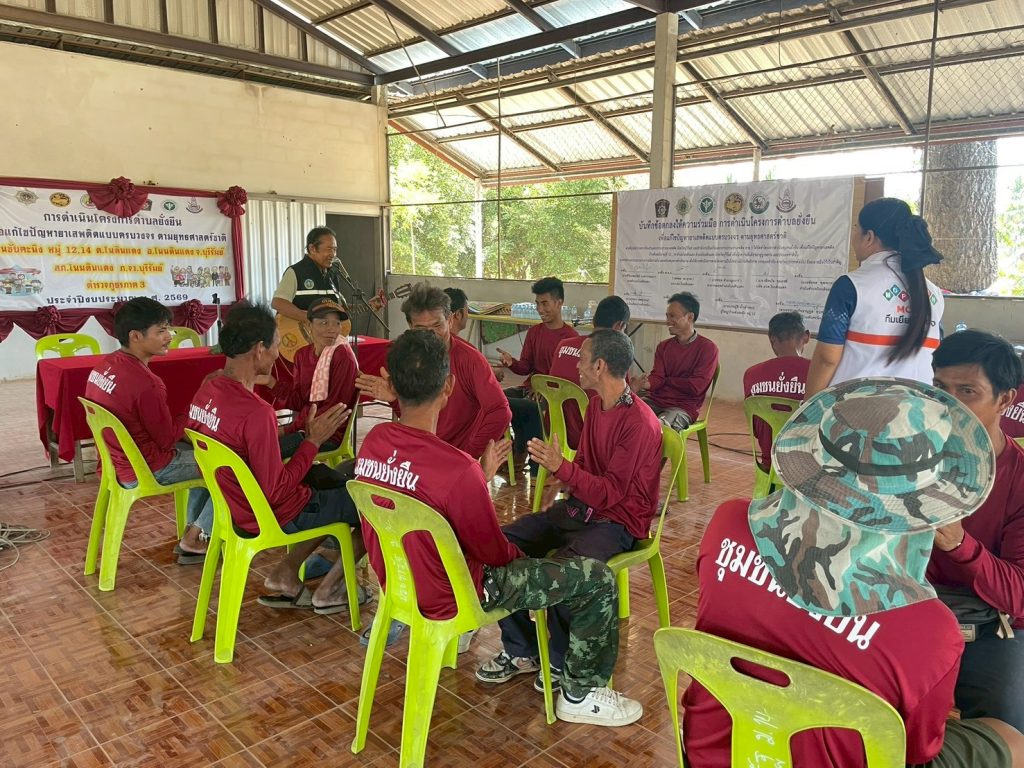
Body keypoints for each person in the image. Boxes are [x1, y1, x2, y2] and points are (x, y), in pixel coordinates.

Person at [683, 377, 1024, 768]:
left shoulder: (727, 525)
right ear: (926, 505)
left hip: (716, 750)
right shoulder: (930, 631)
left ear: (810, 461)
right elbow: (913, 751)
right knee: (1013, 741)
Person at [355, 328, 643, 726]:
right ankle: (579, 693)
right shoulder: (457, 469)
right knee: (595, 579)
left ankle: (527, 653)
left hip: (403, 583)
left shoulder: (373, 443)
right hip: (461, 590)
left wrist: (484, 477)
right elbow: (495, 554)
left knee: (531, 544)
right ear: (449, 386)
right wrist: (521, 550)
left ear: (390, 382)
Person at [477, 329, 662, 692]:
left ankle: (561, 660)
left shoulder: (639, 423)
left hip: (617, 521)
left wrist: (562, 467)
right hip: (580, 510)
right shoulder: (595, 405)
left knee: (565, 570)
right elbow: (587, 467)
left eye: (582, 359)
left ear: (599, 366)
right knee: (501, 545)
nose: (576, 365)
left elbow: (610, 494)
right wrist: (560, 480)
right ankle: (523, 650)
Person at [187, 301, 366, 613]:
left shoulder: (208, 389)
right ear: (259, 349)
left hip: (233, 506)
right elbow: (278, 491)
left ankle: (286, 573)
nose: (276, 353)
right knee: (369, 504)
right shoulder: (256, 412)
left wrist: (296, 437)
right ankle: (331, 590)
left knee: (325, 479)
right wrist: (312, 442)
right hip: (268, 513)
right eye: (275, 345)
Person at [929, 330, 1024, 732]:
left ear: (1005, 399)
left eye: (967, 391)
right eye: (940, 388)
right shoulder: (903, 457)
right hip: (909, 606)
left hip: (991, 623)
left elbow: (1019, 595)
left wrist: (959, 545)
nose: (948, 405)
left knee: (1007, 724)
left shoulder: (1019, 478)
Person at [84, 297, 212, 565]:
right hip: (148, 467)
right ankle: (195, 536)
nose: (169, 336)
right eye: (161, 330)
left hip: (117, 463)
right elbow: (167, 439)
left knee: (202, 452)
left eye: (169, 329)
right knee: (233, 466)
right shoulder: (146, 383)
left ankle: (195, 534)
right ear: (135, 336)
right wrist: (196, 405)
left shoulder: (104, 366)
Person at [356, 283, 510, 461]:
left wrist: (468, 455)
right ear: (410, 326)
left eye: (437, 325)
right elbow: (414, 415)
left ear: (450, 320)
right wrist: (395, 399)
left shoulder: (470, 360)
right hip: (419, 453)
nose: (431, 334)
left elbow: (500, 411)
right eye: (421, 329)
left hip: (453, 458)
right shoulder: (409, 357)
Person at [806, 197, 945, 396]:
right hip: (916, 408)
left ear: (869, 237)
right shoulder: (934, 293)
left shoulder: (851, 286)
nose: (853, 236)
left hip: (856, 408)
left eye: (856, 229)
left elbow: (827, 358)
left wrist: (809, 406)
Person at [497, 277, 579, 469]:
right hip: (531, 388)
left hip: (552, 395)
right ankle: (511, 451)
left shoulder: (571, 338)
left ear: (559, 303)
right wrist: (512, 362)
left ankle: (532, 461)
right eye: (537, 304)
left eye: (545, 303)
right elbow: (525, 367)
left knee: (529, 408)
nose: (540, 309)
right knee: (496, 400)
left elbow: (567, 379)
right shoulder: (534, 332)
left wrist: (543, 388)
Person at [263, 298, 358, 459]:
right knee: (255, 444)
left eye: (337, 323)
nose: (332, 329)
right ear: (308, 326)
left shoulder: (343, 356)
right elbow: (299, 402)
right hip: (304, 427)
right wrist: (270, 382)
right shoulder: (302, 355)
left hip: (328, 433)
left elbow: (334, 409)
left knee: (264, 453)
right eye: (324, 323)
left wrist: (286, 430)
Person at [547, 295, 631, 450]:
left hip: (553, 432)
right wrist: (636, 388)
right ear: (619, 326)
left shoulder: (563, 345)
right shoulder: (614, 357)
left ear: (594, 320)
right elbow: (622, 404)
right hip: (590, 440)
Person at [634, 292, 719, 431]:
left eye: (672, 316)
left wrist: (667, 380)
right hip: (655, 401)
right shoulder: (663, 347)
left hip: (683, 408)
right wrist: (645, 384)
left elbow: (696, 387)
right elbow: (658, 377)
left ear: (690, 317)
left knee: (661, 428)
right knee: (628, 416)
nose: (667, 321)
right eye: (667, 316)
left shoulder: (708, 348)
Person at [742, 311, 811, 471]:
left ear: (771, 339)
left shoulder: (751, 374)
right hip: (808, 466)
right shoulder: (819, 373)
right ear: (806, 337)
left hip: (770, 466)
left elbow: (755, 428)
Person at [271, 226, 347, 322]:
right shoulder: (295, 272)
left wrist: (352, 307)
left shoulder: (333, 275)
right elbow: (278, 302)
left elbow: (335, 307)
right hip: (300, 331)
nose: (333, 254)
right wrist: (309, 319)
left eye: (335, 249)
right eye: (329, 249)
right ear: (312, 249)